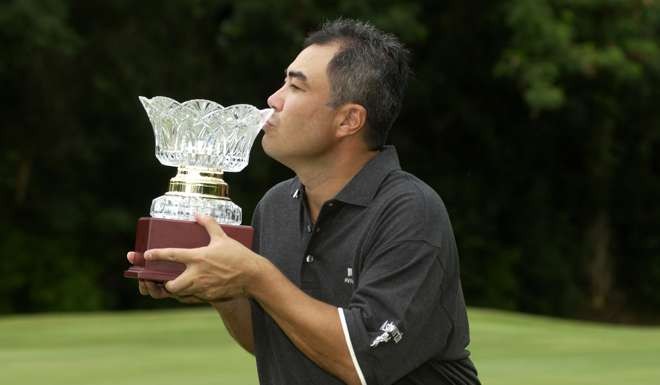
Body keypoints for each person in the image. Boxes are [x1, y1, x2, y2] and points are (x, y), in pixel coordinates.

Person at [128, 18, 480, 385]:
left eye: (295, 87)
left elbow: (363, 362)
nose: (273, 100)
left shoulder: (410, 210)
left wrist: (256, 276)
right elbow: (272, 341)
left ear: (348, 120)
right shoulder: (276, 205)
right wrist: (225, 291)